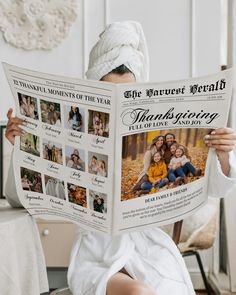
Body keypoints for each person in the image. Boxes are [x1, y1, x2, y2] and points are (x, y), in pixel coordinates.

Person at [4, 21, 236, 295]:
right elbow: (18, 200)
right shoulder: (66, 135)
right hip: (96, 254)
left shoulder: (161, 144)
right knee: (139, 292)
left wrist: (223, 153)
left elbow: (219, 188)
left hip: (150, 251)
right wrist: (20, 147)